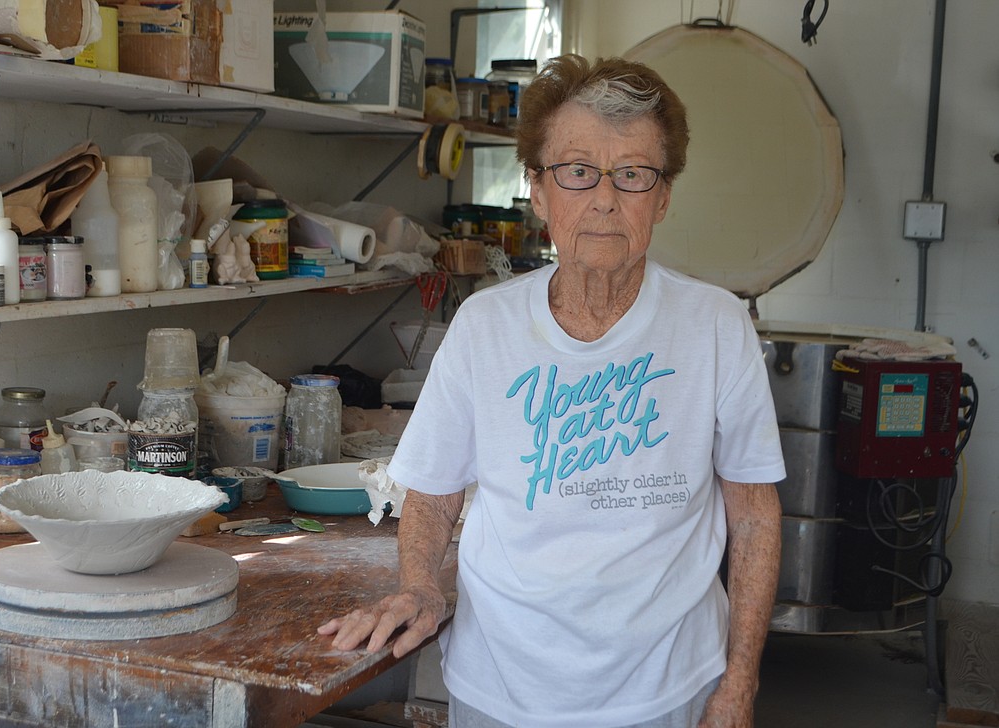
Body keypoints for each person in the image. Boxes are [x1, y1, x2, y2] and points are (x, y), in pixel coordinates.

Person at [319, 54, 785, 728]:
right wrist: (419, 586)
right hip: (502, 686)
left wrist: (740, 682)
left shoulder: (715, 325)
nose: (604, 198)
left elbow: (754, 514)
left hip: (669, 687)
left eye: (631, 174)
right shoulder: (485, 326)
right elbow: (434, 489)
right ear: (537, 191)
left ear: (663, 196)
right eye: (576, 171)